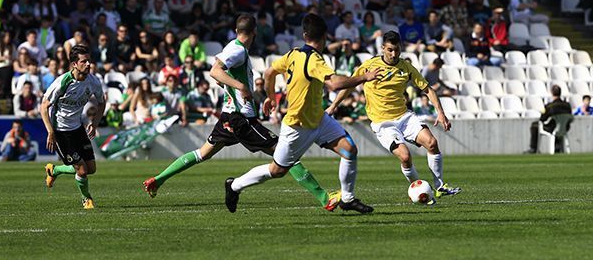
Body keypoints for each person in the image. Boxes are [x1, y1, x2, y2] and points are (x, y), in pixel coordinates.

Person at [143, 14, 341, 212]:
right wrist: (242, 87)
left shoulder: (232, 46)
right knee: (285, 155)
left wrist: (229, 84)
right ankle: (325, 198)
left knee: (201, 154)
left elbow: (220, 74)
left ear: (237, 31)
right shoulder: (238, 51)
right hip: (241, 119)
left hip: (228, 117)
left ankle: (158, 180)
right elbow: (215, 71)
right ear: (255, 32)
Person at [224, 14, 383, 214]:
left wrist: (270, 96)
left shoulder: (293, 54)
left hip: (319, 119)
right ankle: (234, 185)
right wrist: (365, 77)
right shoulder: (314, 59)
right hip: (297, 126)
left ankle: (348, 199)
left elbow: (269, 72)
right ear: (325, 37)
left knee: (349, 150)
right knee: (277, 170)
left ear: (305, 35)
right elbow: (334, 83)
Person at [327, 31, 461, 203]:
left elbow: (428, 89)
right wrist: (333, 105)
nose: (393, 54)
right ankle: (418, 190)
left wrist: (441, 113)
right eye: (389, 50)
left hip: (404, 117)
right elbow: (350, 86)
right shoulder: (369, 65)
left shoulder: (406, 67)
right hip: (383, 123)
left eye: (396, 50)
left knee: (432, 143)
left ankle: (440, 186)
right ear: (383, 48)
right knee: (405, 157)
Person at [41, 45, 105, 209]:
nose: (89, 64)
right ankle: (86, 199)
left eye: (89, 60)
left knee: (91, 168)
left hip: (78, 128)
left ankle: (54, 171)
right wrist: (50, 132)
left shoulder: (93, 81)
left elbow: (102, 103)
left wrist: (94, 123)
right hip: (61, 132)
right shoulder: (63, 82)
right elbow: (43, 106)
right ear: (74, 64)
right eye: (84, 61)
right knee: (82, 170)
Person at [525, 85, 572, 154]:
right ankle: (557, 147)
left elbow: (542, 119)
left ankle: (533, 148)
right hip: (565, 127)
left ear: (552, 93)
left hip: (552, 128)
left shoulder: (549, 106)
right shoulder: (567, 105)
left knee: (535, 125)